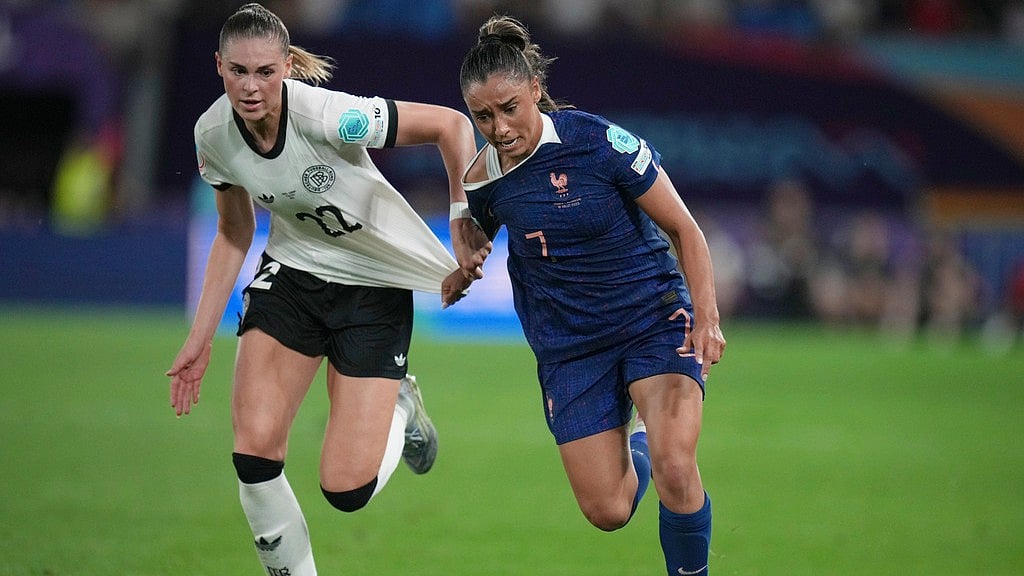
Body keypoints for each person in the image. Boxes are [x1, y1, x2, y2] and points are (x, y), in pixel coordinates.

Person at [165, 4, 488, 575]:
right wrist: (200, 337)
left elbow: (452, 126)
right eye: (238, 70)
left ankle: (401, 410)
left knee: (346, 489)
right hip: (293, 276)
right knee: (254, 452)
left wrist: (463, 219)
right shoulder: (212, 134)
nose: (251, 86)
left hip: (371, 288)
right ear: (218, 66)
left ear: (287, 67)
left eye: (265, 71)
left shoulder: (329, 116)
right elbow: (234, 231)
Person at [456, 15, 726, 575]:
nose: (499, 127)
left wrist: (707, 317)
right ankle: (641, 445)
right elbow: (480, 233)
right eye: (483, 116)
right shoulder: (482, 178)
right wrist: (465, 262)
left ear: (534, 88)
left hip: (651, 318)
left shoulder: (597, 142)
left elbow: (685, 230)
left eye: (509, 107)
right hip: (571, 346)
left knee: (679, 466)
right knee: (608, 509)